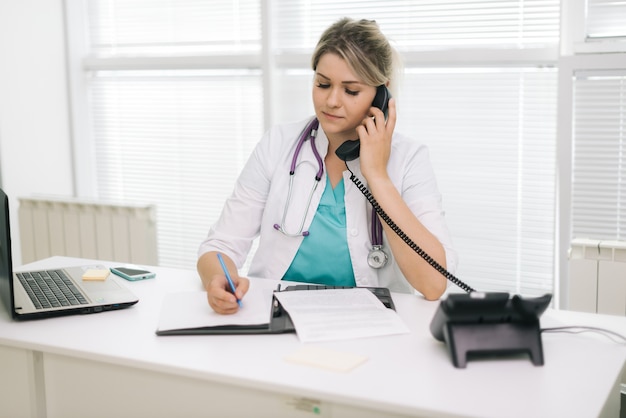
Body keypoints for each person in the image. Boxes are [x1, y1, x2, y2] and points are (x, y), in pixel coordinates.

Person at [197, 17, 457, 314]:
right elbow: (220, 245)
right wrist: (219, 279)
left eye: (351, 90)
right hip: (278, 316)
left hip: (370, 323)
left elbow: (433, 283)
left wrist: (377, 176)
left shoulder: (409, 159)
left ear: (381, 94)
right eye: (322, 84)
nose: (331, 101)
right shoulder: (278, 144)